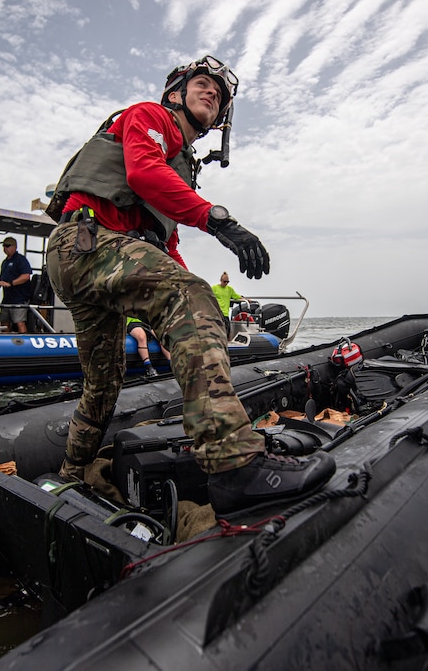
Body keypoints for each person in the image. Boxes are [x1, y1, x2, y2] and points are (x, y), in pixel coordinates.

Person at [44, 54, 335, 515]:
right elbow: (141, 171)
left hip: (86, 259)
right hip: (85, 241)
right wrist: (219, 221)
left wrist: (203, 310)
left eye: (218, 95)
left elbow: (166, 245)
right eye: (203, 85)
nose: (211, 94)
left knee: (104, 384)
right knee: (189, 294)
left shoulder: (179, 166)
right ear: (176, 94)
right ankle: (234, 465)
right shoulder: (149, 117)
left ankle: (72, 475)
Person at [0, 237, 34, 333]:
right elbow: (1, 277)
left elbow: (26, 276)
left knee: (19, 322)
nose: (5, 248)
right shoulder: (5, 262)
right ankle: (6, 343)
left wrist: (10, 283)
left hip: (19, 298)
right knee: (4, 321)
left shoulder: (20, 260)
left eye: (7, 246)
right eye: (4, 246)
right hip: (7, 298)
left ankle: (24, 343)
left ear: (15, 247)